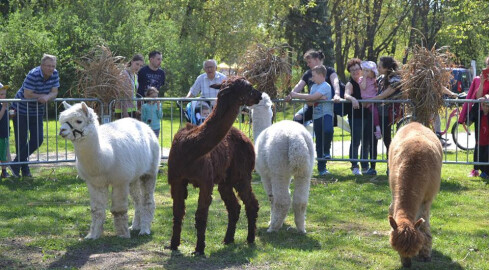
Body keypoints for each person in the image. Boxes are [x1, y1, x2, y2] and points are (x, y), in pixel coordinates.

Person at [10, 54, 59, 177]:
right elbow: (27, 94)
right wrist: (41, 97)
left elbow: (54, 92)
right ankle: (25, 170)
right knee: (21, 141)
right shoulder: (33, 74)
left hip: (37, 111)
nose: (50, 68)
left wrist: (47, 97)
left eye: (53, 66)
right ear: (42, 65)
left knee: (38, 139)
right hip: (21, 109)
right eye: (48, 66)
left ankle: (15, 164)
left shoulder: (55, 74)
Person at [288, 65, 334, 176]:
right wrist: (316, 98)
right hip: (317, 116)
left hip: (327, 114)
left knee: (328, 131)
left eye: (314, 76)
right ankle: (322, 168)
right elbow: (309, 103)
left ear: (321, 75)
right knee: (319, 142)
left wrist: (297, 95)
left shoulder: (326, 86)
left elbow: (312, 98)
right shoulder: (313, 87)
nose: (312, 78)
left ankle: (327, 151)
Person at [285, 49, 346, 125]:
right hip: (311, 105)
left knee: (325, 130)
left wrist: (337, 94)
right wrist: (291, 95)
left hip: (327, 108)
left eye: (309, 62)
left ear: (316, 60)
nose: (308, 64)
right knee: (297, 118)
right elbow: (299, 85)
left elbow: (335, 82)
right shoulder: (307, 74)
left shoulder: (330, 71)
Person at [369, 56, 402, 174]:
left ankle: (391, 166)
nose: (378, 68)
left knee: (387, 139)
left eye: (380, 66)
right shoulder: (380, 78)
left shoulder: (396, 79)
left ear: (387, 67)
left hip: (388, 113)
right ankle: (372, 167)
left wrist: (370, 100)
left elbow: (384, 94)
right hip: (377, 113)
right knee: (373, 139)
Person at [344, 58, 375, 176]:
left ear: (361, 69)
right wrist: (353, 99)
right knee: (356, 140)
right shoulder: (350, 83)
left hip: (368, 114)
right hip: (356, 115)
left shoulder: (368, 80)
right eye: (352, 70)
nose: (355, 72)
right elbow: (346, 94)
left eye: (357, 69)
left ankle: (365, 166)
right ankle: (354, 165)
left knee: (366, 141)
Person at [471, 56, 489, 178]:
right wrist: (482, 83)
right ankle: (477, 168)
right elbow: (477, 96)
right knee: (479, 141)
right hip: (481, 113)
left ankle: (486, 170)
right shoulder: (481, 78)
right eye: (488, 64)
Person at [115, 54, 144, 119]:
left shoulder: (135, 76)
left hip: (132, 109)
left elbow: (134, 93)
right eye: (137, 64)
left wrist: (136, 108)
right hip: (122, 110)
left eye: (140, 66)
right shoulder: (124, 74)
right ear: (132, 61)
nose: (138, 67)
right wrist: (125, 112)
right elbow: (121, 93)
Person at [359, 61, 382, 140]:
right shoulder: (361, 79)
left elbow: (377, 89)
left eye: (367, 71)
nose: (365, 72)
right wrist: (364, 78)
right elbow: (363, 87)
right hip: (365, 100)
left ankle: (378, 128)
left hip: (373, 99)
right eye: (364, 70)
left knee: (375, 113)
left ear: (372, 72)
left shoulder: (374, 80)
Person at [0, 83, 11, 178]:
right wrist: (3, 107)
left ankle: (4, 171)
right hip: (0, 134)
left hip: (4, 134)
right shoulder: (2, 105)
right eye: (1, 94)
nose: (3, 96)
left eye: (4, 94)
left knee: (3, 154)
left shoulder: (3, 104)